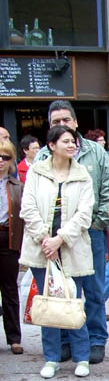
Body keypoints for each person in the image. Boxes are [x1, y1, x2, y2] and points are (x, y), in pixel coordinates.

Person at [36, 101, 109, 364]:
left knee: (92, 290)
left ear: (76, 122)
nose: (61, 125)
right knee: (60, 288)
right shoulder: (42, 157)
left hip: (89, 233)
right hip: (53, 238)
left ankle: (95, 339)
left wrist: (97, 223)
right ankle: (66, 340)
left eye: (66, 120)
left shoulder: (96, 152)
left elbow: (107, 192)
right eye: (55, 122)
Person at [20, 125, 94, 378]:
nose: (72, 145)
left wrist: (60, 239)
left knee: (74, 302)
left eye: (73, 141)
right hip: (41, 249)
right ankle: (51, 357)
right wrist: (45, 238)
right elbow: (27, 208)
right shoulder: (36, 173)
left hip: (72, 248)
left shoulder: (83, 174)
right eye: (66, 141)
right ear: (51, 145)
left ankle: (81, 357)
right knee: (48, 303)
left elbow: (85, 214)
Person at [0, 139, 24, 354]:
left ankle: (14, 337)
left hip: (8, 238)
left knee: (9, 289)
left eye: (5, 157)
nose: (0, 161)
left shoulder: (17, 187)